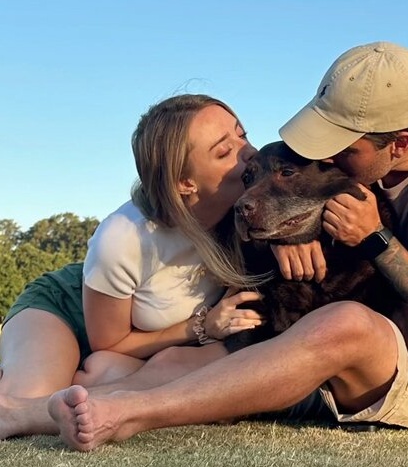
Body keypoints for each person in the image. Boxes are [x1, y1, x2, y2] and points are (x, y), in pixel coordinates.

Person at [46, 40, 408, 451]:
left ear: (399, 144)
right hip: (306, 350)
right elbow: (282, 196)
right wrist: (285, 234)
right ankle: (36, 410)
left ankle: (135, 412)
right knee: (143, 366)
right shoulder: (362, 166)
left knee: (343, 322)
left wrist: (376, 237)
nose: (325, 157)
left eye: (342, 145)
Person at [0, 94, 276, 437]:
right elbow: (109, 343)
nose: (249, 152)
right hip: (66, 310)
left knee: (146, 371)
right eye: (224, 151)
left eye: (242, 134)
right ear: (184, 183)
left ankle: (83, 386)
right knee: (22, 399)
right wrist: (202, 326)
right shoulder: (124, 236)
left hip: (142, 352)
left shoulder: (249, 212)